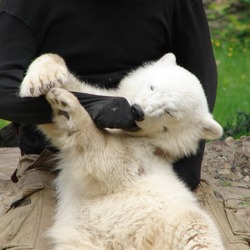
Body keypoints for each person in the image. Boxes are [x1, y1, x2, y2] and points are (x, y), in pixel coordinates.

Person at [0, 0, 249, 249]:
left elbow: (200, 83)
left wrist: (182, 177)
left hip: (156, 161)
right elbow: (4, 91)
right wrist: (97, 108)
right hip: (52, 162)